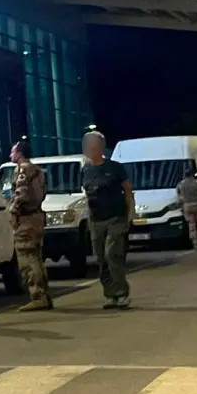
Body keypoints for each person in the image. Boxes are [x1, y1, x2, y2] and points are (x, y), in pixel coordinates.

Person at [82, 131, 133, 308]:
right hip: (96, 220)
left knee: (113, 254)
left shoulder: (115, 167)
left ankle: (122, 292)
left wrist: (129, 214)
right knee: (101, 258)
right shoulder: (86, 170)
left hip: (116, 217)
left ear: (101, 147)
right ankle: (110, 294)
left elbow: (127, 191)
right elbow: (86, 194)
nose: (91, 149)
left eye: (94, 146)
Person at [9, 140, 52, 311]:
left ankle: (38, 296)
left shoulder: (23, 169)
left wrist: (13, 211)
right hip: (36, 217)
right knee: (36, 256)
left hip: (26, 220)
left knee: (27, 258)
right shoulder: (36, 169)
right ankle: (44, 295)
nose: (11, 155)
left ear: (19, 153)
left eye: (13, 152)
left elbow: (22, 194)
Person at [175, 163, 197, 250]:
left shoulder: (180, 184)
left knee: (192, 225)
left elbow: (179, 197)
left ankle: (195, 244)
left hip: (187, 206)